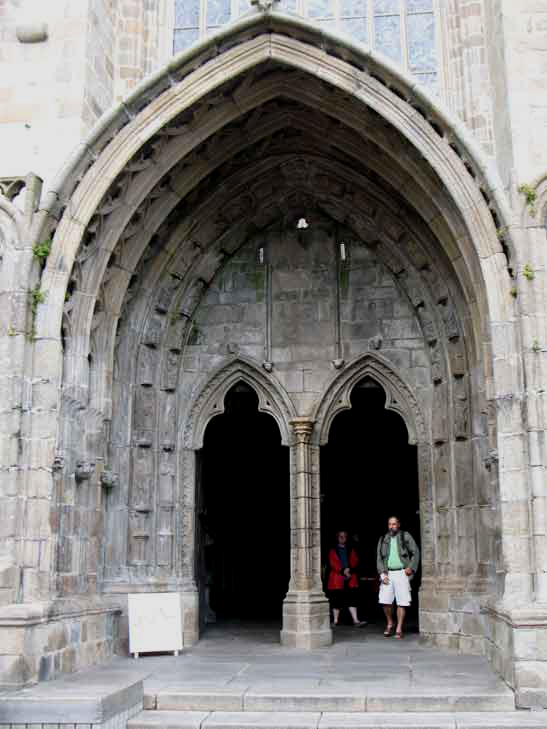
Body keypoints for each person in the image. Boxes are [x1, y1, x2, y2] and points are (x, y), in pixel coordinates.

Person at [376, 516, 420, 639]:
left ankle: (399, 627)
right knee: (385, 601)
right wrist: (382, 574)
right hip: (388, 573)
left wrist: (411, 567)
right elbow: (379, 558)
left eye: (394, 524)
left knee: (402, 602)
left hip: (402, 573)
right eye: (390, 524)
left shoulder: (405, 536)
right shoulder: (383, 538)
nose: (392, 526)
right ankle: (390, 622)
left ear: (399, 525)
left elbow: (415, 552)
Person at [328, 530, 366, 627]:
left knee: (352, 599)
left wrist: (349, 570)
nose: (342, 538)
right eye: (340, 536)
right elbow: (333, 562)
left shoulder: (350, 549)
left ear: (346, 538)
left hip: (350, 577)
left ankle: (356, 621)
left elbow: (355, 560)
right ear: (337, 537)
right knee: (336, 600)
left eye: (344, 536)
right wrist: (343, 571)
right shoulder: (333, 549)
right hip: (337, 578)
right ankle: (336, 621)